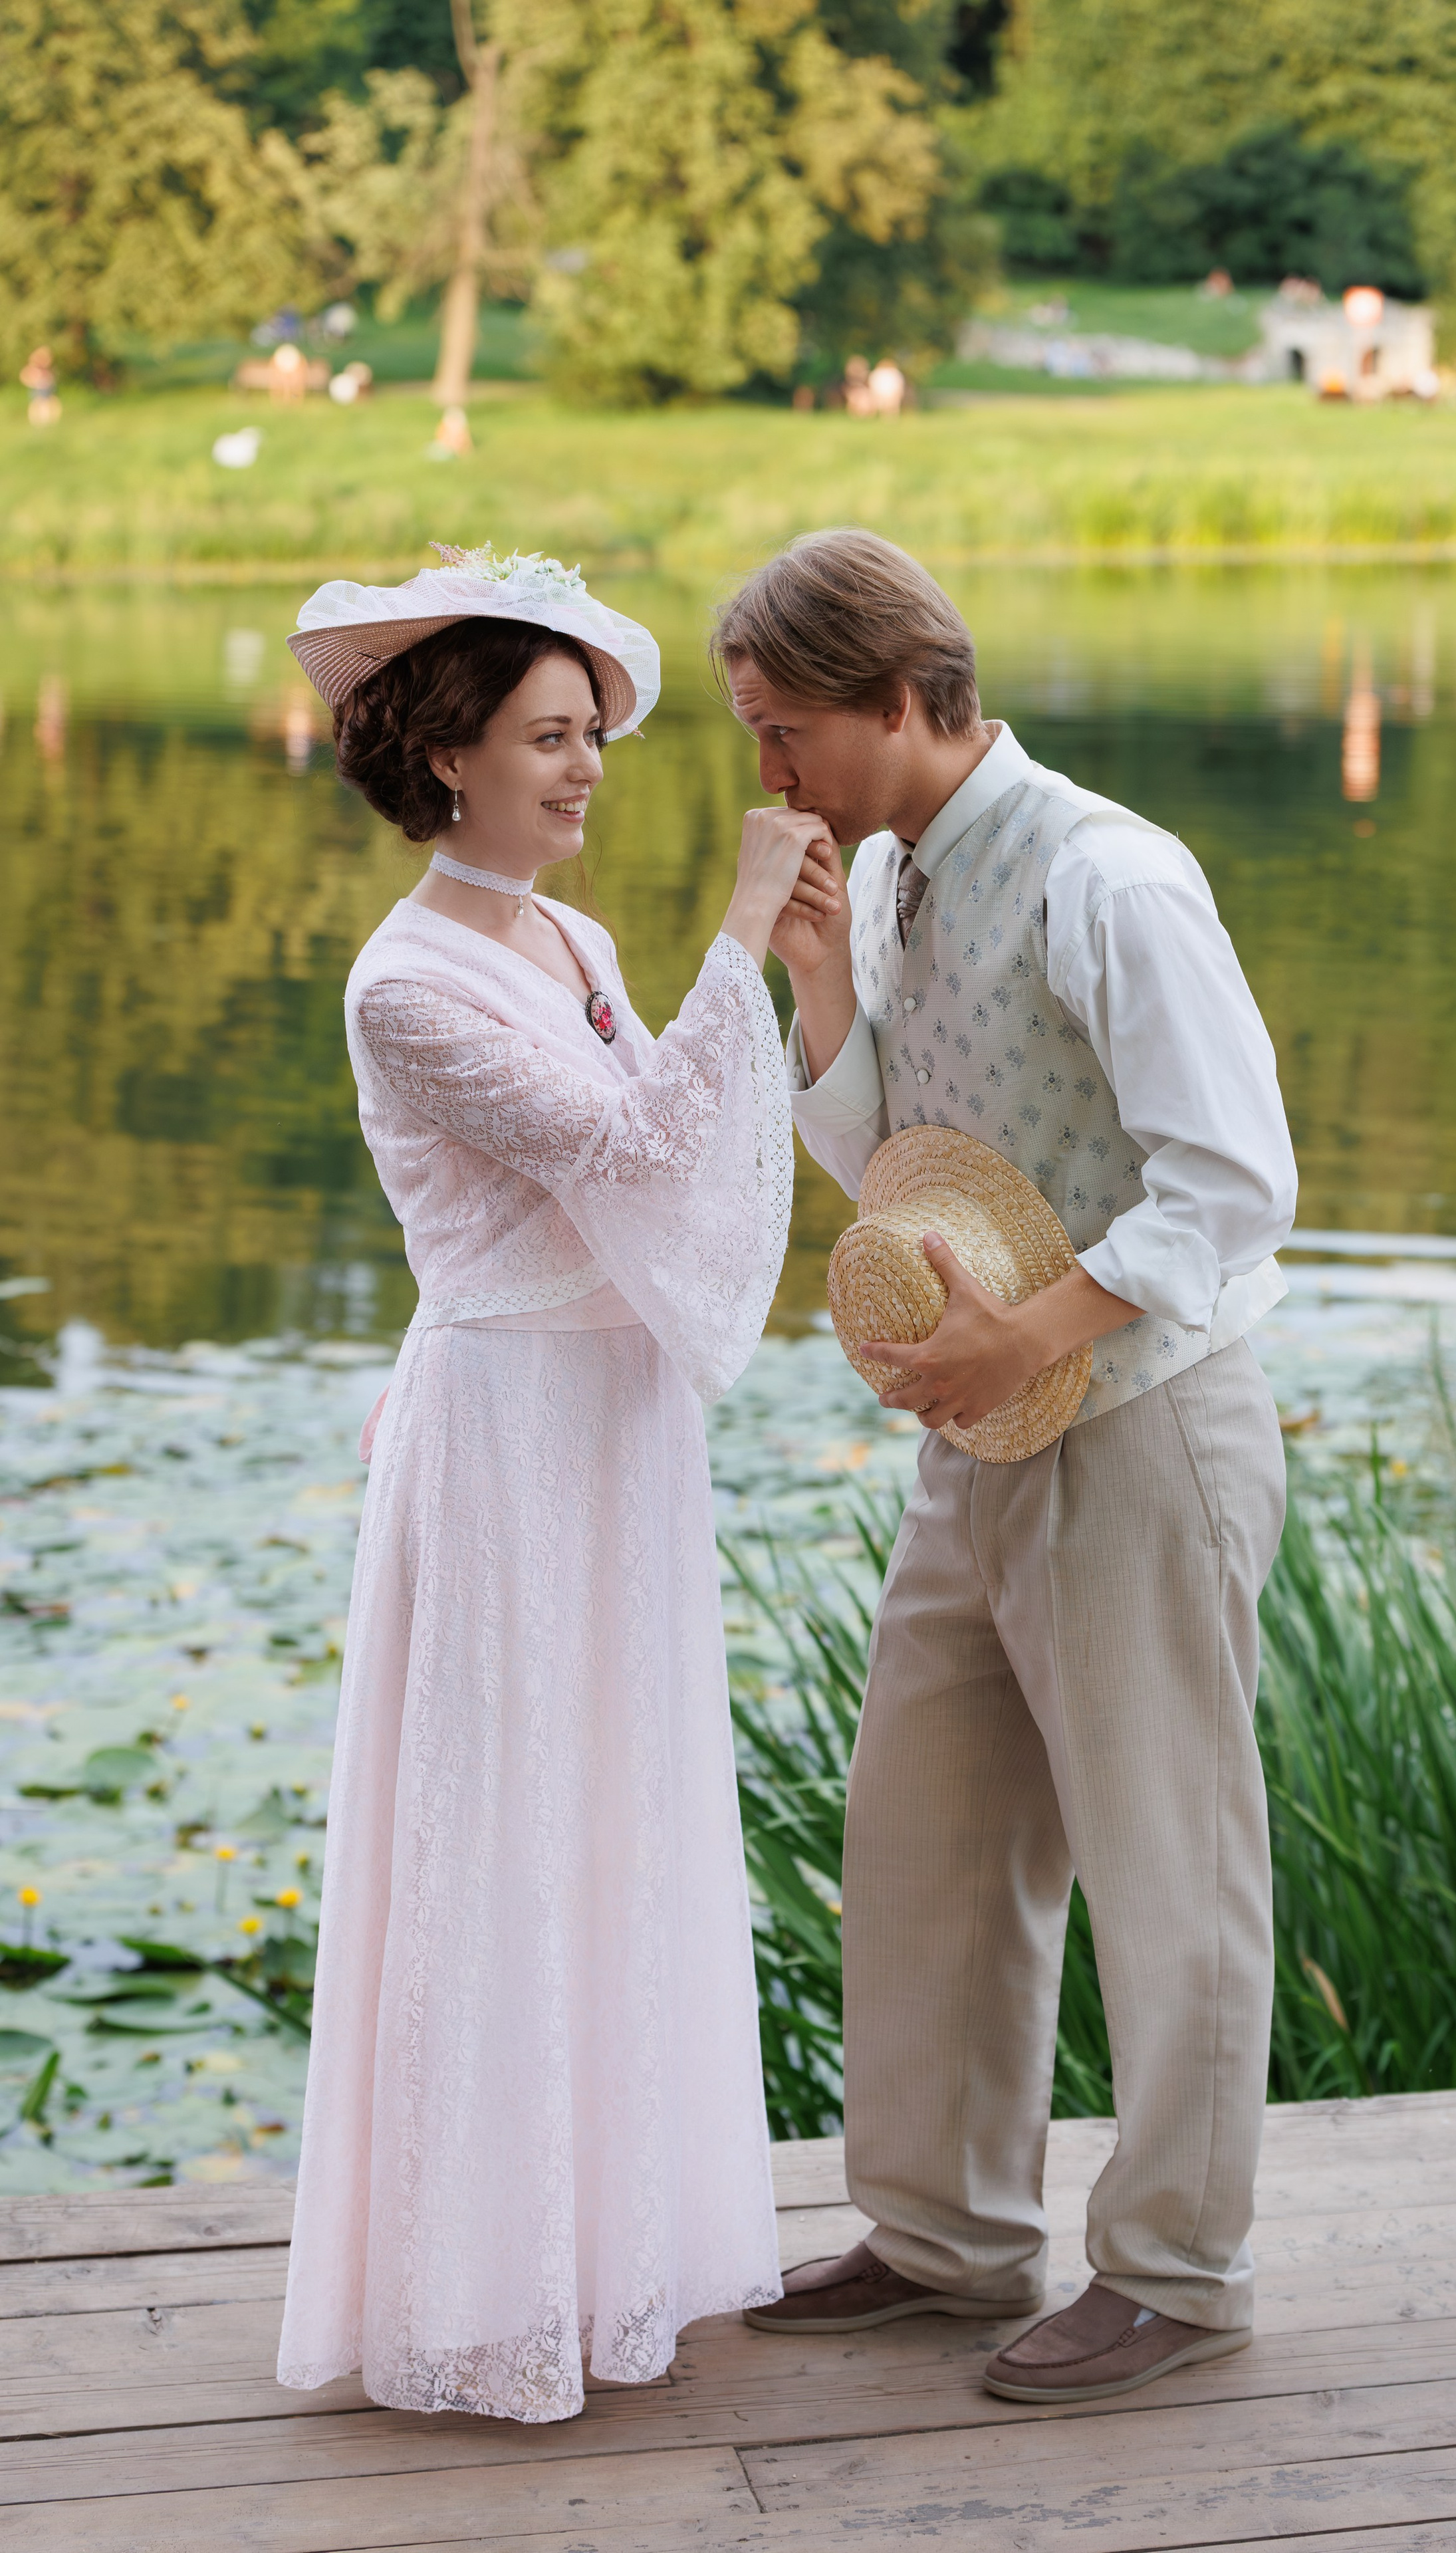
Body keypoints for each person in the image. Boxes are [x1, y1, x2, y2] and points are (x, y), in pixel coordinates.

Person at [715, 529, 1298, 2403]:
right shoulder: (886, 880)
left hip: (1138, 1429)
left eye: (788, 730)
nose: (769, 775)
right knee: (928, 1838)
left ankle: (1180, 2276)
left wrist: (1027, 1339)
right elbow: (902, 1153)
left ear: (903, 695)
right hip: (984, 1430)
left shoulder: (1112, 879)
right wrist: (819, 980)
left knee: (1168, 1859)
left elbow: (1236, 1183)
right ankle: (951, 2237)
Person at [274, 548, 836, 2423]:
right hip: (511, 1435)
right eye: (548, 737)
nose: (590, 766)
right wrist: (746, 926)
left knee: (616, 1811)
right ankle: (474, 2290)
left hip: (616, 1432)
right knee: (501, 1827)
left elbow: (680, 1175)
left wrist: (786, 973)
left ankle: (612, 2258)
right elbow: (642, 1131)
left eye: (591, 734)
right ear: (445, 761)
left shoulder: (576, 945)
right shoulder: (404, 987)